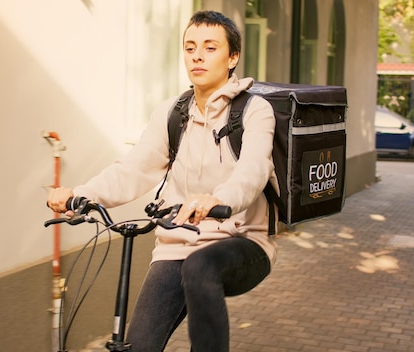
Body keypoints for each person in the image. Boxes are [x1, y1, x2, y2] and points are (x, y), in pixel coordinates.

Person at [47, 10, 277, 352]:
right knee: (139, 345)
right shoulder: (173, 113)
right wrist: (79, 194)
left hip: (242, 241)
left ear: (233, 57)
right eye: (190, 47)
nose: (197, 55)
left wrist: (218, 198)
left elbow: (253, 170)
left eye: (210, 47)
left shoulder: (254, 111)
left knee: (201, 266)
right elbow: (134, 169)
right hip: (176, 244)